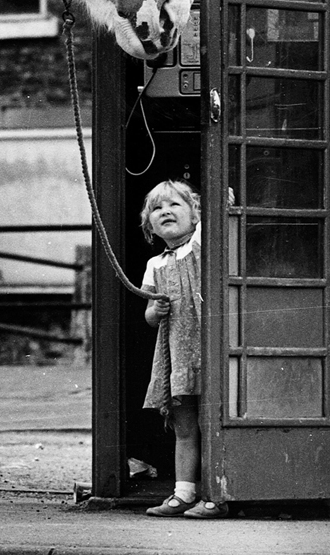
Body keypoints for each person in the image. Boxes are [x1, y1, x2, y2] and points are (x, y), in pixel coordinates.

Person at [138, 179, 227, 520]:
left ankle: (215, 494)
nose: (166, 212)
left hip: (209, 348)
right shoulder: (154, 264)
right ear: (150, 225)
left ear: (195, 215)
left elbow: (213, 221)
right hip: (177, 352)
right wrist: (154, 312)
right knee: (185, 426)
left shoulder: (200, 245)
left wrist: (220, 202)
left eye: (175, 205)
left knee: (212, 423)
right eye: (157, 209)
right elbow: (148, 314)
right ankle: (183, 492)